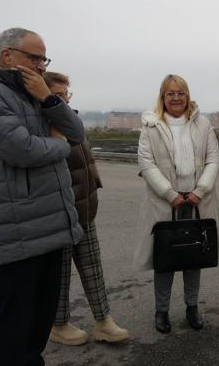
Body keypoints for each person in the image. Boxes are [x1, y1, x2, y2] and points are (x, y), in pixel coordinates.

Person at [0, 28, 84, 366]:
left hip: (52, 218)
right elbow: (21, 149)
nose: (41, 65)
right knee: (16, 320)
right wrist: (61, 146)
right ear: (6, 55)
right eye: (34, 57)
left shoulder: (31, 89)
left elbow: (77, 132)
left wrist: (49, 98)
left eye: (44, 59)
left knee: (40, 318)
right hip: (18, 223)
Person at [133, 74, 219, 334]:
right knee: (165, 257)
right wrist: (169, 193)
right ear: (162, 97)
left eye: (181, 93)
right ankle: (161, 310)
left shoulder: (203, 124)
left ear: (188, 96)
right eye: (170, 93)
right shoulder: (150, 126)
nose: (176, 98)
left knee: (193, 256)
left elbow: (213, 159)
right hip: (165, 202)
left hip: (198, 200)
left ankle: (192, 308)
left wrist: (201, 190)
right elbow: (146, 162)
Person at [42, 72, 129, 345]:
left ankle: (104, 321)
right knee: (61, 273)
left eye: (66, 95)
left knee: (93, 267)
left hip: (85, 207)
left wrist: (95, 186)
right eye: (58, 95)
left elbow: (84, 160)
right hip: (59, 211)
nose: (64, 100)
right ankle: (58, 324)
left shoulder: (70, 119)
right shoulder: (42, 123)